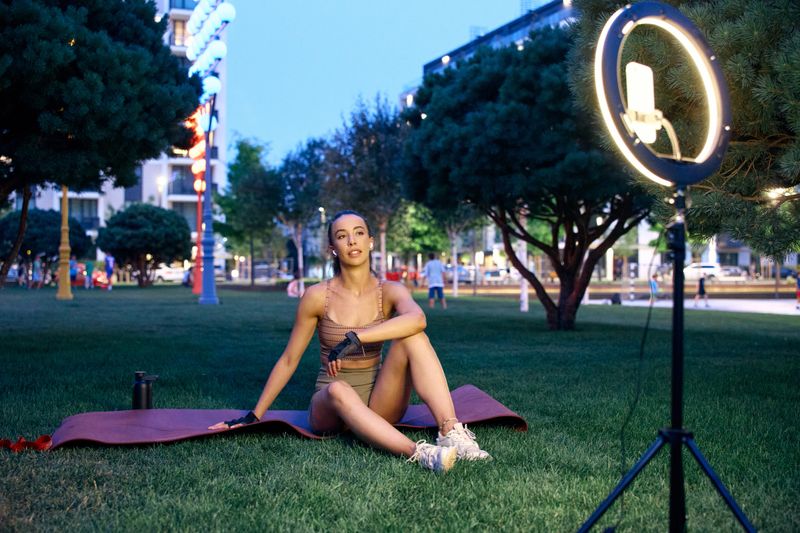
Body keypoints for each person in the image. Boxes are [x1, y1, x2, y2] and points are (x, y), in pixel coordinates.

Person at [209, 210, 489, 473]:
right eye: (342, 236)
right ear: (333, 247)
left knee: (412, 336)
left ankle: (450, 432)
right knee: (339, 389)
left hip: (379, 404)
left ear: (370, 241)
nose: (351, 240)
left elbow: (418, 319)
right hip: (329, 408)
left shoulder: (390, 291)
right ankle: (421, 453)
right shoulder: (317, 296)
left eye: (358, 233)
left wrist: (356, 338)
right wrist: (254, 415)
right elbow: (289, 359)